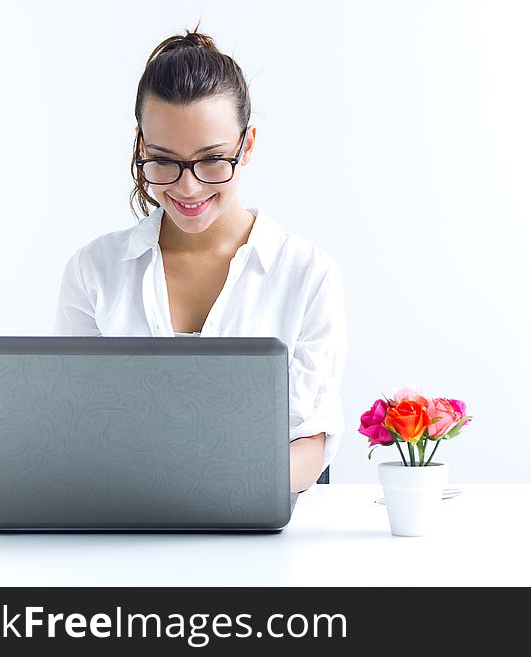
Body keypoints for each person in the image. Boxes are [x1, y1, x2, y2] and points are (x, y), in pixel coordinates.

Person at [53, 27, 347, 494]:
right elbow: (79, 423)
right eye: (164, 160)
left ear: (246, 145)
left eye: (212, 160)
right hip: (125, 516)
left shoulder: (306, 274)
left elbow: (309, 439)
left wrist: (213, 493)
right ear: (141, 146)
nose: (187, 188)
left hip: (256, 519)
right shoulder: (94, 271)